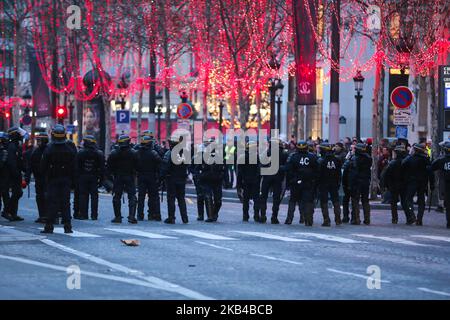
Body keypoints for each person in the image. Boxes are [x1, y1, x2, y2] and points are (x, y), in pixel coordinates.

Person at [40, 125, 77, 233]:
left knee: (52, 202)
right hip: (66, 179)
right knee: (65, 203)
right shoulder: (70, 147)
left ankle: (49, 226)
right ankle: (67, 226)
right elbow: (75, 165)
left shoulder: (49, 148)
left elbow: (43, 166)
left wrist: (44, 177)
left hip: (53, 179)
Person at [284, 140, 318, 226]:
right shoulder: (312, 157)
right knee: (307, 201)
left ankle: (289, 219)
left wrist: (290, 181)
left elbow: (288, 170)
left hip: (296, 182)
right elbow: (317, 170)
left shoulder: (293, 156)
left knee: (292, 200)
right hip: (308, 182)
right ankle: (308, 220)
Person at [107, 134, 138, 224]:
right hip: (129, 176)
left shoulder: (114, 153)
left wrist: (110, 177)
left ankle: (118, 217)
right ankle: (131, 217)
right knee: (132, 196)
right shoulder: (133, 153)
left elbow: (109, 167)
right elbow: (137, 166)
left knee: (117, 196)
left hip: (118, 177)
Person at [401, 143, 434, 226]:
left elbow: (403, 164)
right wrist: (432, 184)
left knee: (408, 199)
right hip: (423, 182)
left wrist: (409, 154)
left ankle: (412, 215)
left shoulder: (410, 158)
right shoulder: (426, 160)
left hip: (412, 182)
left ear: (415, 150)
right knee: (421, 201)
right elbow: (431, 173)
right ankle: (419, 219)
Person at [75, 135, 105, 220]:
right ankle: (94, 215)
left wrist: (77, 178)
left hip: (83, 177)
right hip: (94, 177)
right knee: (94, 196)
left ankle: (84, 214)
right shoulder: (99, 153)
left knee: (83, 196)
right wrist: (102, 179)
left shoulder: (80, 153)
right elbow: (102, 168)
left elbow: (77, 167)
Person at [260, 138, 289, 224]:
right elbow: (287, 166)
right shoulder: (284, 153)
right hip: (278, 178)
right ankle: (274, 217)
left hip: (266, 177)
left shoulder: (266, 153)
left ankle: (263, 216)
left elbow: (261, 164)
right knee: (276, 198)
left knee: (263, 197)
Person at [160, 137, 189, 224]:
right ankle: (185, 218)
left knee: (171, 199)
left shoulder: (169, 153)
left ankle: (171, 218)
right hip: (182, 179)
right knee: (181, 199)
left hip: (171, 179)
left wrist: (161, 178)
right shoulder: (185, 153)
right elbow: (188, 165)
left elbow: (165, 167)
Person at [136, 135, 162, 221]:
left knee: (141, 197)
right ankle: (152, 214)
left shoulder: (137, 153)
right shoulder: (153, 153)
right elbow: (159, 165)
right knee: (153, 196)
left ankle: (140, 215)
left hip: (141, 176)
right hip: (152, 177)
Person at [24, 132, 49, 223]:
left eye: (40, 140)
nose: (38, 142)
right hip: (39, 178)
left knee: (46, 196)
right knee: (39, 197)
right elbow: (30, 166)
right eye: (37, 140)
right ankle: (42, 215)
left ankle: (47, 215)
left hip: (47, 178)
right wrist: (27, 177)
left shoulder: (49, 151)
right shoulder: (35, 152)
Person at [382, 144, 410, 224]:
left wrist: (386, 185)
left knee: (393, 203)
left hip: (394, 185)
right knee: (404, 202)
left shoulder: (392, 163)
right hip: (404, 185)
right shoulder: (407, 162)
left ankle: (394, 219)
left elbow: (386, 175)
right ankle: (409, 217)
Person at [345, 143, 372, 225]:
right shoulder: (368, 158)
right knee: (365, 200)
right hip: (365, 181)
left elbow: (353, 172)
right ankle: (367, 219)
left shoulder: (354, 159)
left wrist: (350, 183)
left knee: (355, 201)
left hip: (356, 182)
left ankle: (356, 219)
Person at [2, 127, 25, 222]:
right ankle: (7, 211)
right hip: (12, 175)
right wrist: (16, 173)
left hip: (15, 174)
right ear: (15, 135)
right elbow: (12, 162)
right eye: (19, 134)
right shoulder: (12, 146)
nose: (21, 136)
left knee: (17, 193)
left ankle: (13, 213)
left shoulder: (16, 145)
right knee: (17, 193)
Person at [317, 142, 342, 226]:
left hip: (323, 183)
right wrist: (338, 182)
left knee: (324, 201)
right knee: (336, 201)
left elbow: (318, 174)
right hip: (334, 183)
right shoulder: (337, 160)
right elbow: (339, 173)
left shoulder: (321, 161)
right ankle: (338, 220)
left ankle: (326, 220)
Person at [237, 141, 261, 222]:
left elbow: (239, 173)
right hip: (255, 182)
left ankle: (245, 216)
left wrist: (239, 184)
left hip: (245, 182)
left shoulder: (242, 158)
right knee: (256, 199)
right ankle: (256, 216)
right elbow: (259, 171)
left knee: (246, 200)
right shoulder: (257, 158)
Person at [431, 141, 450, 229]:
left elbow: (432, 167)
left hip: (446, 185)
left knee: (448, 205)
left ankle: (449, 223)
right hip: (446, 184)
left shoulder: (441, 160)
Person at [0, 132, 10, 218]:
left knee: (5, 194)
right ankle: (6, 211)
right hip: (3, 176)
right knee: (5, 194)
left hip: (4, 176)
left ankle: (6, 211)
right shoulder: (4, 151)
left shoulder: (4, 151)